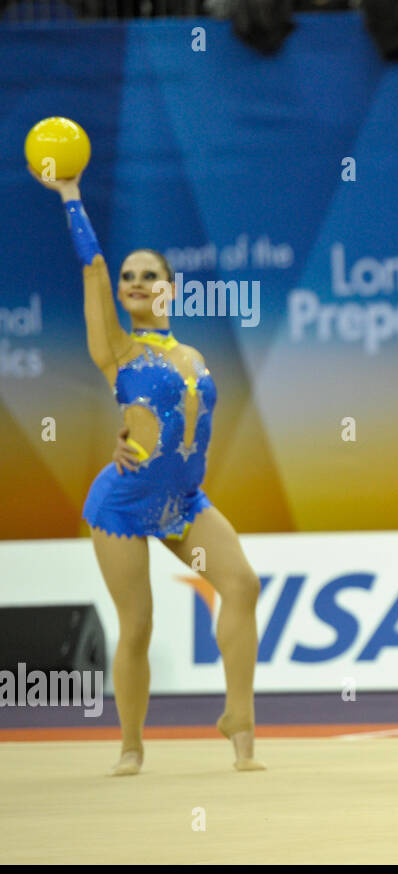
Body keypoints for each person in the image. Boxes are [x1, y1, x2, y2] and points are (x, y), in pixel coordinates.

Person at [34, 170, 264, 775]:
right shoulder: (119, 351)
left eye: (149, 275)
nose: (135, 283)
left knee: (241, 585)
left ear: (170, 289)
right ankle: (131, 744)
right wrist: (72, 195)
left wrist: (132, 434)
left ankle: (238, 719)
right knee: (137, 625)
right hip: (125, 503)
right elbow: (93, 273)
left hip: (184, 500)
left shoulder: (191, 354)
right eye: (129, 277)